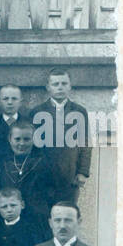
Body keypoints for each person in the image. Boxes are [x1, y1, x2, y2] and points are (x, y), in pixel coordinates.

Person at [31, 68, 93, 206]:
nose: (60, 87)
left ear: (70, 86)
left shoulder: (79, 111)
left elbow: (85, 143)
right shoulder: (37, 112)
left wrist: (82, 172)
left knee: (67, 211)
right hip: (43, 175)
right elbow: (32, 146)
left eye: (64, 83)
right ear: (48, 87)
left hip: (69, 174)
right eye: (55, 84)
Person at [0, 118, 59, 222]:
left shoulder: (43, 164)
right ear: (9, 139)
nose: (21, 144)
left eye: (26, 139)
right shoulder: (2, 164)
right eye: (17, 139)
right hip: (9, 218)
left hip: (36, 217)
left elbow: (51, 195)